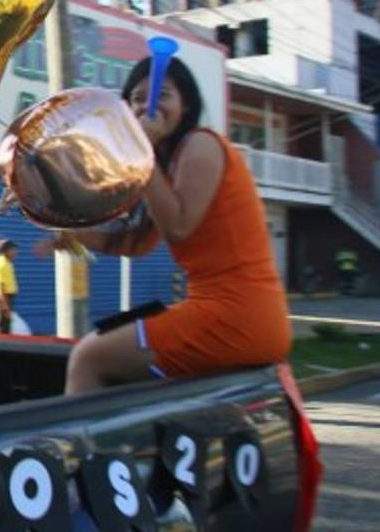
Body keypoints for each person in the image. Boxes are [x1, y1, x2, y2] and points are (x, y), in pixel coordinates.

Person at [37, 56, 290, 395]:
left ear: (186, 106)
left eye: (162, 95)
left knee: (88, 357)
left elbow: (179, 227)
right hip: (234, 311)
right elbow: (138, 243)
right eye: (137, 98)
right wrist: (76, 237)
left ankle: (81, 448)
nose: (148, 105)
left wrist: (144, 152)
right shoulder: (167, 163)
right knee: (108, 342)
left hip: (237, 312)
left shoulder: (201, 143)